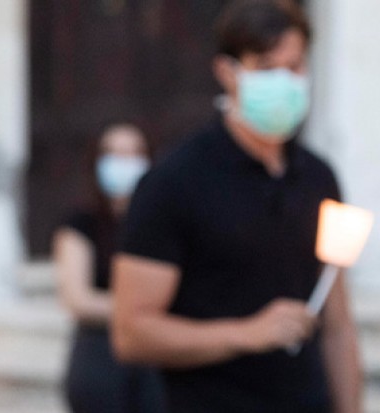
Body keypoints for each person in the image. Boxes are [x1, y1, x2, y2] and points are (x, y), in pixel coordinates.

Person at [110, 1, 363, 412]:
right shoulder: (173, 182)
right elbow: (132, 333)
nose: (284, 80)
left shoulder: (319, 176)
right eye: (265, 67)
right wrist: (245, 334)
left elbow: (337, 323)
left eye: (295, 67)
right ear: (228, 72)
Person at [54, 123, 165, 413]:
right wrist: (141, 312)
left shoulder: (163, 223)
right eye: (114, 154)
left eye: (133, 154)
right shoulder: (81, 223)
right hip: (100, 353)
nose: (124, 163)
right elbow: (78, 298)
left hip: (155, 356)